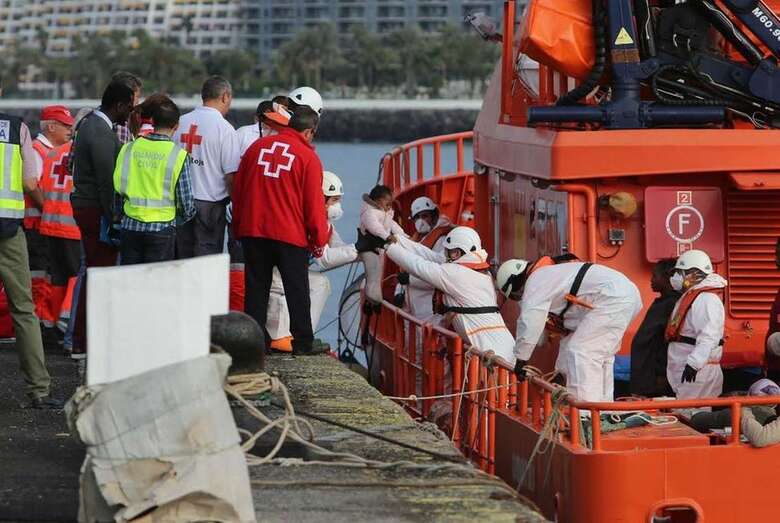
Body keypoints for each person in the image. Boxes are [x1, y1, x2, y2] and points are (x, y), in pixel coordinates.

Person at [232, 107, 329, 355]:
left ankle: (255, 344)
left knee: (256, 290)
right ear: (309, 131)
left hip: (253, 231)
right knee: (297, 289)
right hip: (290, 234)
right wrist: (319, 239)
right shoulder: (308, 158)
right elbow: (314, 205)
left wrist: (238, 228)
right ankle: (303, 343)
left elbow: (239, 191)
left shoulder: (256, 148)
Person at [497, 256, 642, 402]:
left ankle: (585, 414)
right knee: (602, 356)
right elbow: (570, 336)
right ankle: (604, 410)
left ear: (515, 282)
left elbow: (529, 321)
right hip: (624, 295)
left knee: (582, 351)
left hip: (612, 297)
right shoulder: (553, 277)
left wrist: (521, 360)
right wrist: (562, 371)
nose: (522, 297)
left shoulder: (537, 280)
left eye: (517, 295)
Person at [0, 86, 61, 408]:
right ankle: (38, 390)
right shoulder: (16, 128)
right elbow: (28, 181)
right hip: (9, 231)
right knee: (23, 310)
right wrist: (46, 208)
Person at [383, 226, 515, 365]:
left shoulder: (455, 274)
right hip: (503, 348)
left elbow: (418, 266)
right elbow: (430, 256)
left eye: (448, 252)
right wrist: (397, 241)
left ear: (457, 253)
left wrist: (387, 247)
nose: (444, 255)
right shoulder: (478, 272)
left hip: (492, 354)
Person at [70, 79, 135, 359]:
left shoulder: (94, 126)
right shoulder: (99, 131)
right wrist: (115, 218)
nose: (129, 114)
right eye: (129, 108)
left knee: (95, 273)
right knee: (99, 275)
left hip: (89, 207)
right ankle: (84, 341)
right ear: (119, 105)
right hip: (95, 209)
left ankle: (83, 338)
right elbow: (107, 182)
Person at [266, 170, 358, 351]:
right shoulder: (308, 220)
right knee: (308, 285)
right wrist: (358, 249)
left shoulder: (326, 223)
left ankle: (304, 337)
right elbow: (324, 259)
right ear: (320, 198)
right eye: (333, 200)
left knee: (320, 283)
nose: (337, 206)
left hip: (290, 272)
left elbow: (338, 248)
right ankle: (282, 337)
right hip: (276, 275)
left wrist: (362, 250)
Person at [113, 94, 195, 265]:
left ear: (152, 121)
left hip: (130, 226)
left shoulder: (129, 148)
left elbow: (118, 190)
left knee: (130, 282)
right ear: (176, 126)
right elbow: (186, 202)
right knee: (156, 285)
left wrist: (119, 216)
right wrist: (180, 219)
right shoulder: (178, 155)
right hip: (162, 229)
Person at [173, 76, 240, 258]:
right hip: (210, 208)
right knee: (207, 263)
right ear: (225, 96)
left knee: (181, 260)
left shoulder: (179, 123)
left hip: (178, 203)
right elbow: (231, 176)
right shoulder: (225, 129)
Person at [35, 106, 79, 347]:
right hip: (72, 227)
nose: (70, 130)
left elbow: (41, 187)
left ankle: (49, 323)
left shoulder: (51, 154)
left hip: (50, 225)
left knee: (56, 279)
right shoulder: (81, 156)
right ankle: (66, 326)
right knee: (75, 278)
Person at [664, 249, 727, 400]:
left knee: (692, 415)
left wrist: (694, 364)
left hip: (698, 373)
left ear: (693, 273)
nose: (675, 277)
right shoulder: (695, 296)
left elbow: (709, 335)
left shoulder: (706, 299)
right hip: (691, 370)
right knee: (690, 414)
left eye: (680, 272)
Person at [394, 196, 454, 319]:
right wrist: (398, 292)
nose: (421, 221)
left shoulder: (442, 242)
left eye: (425, 216)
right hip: (412, 306)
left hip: (430, 309)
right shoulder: (418, 240)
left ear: (433, 216)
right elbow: (405, 271)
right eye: (417, 217)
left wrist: (409, 280)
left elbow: (439, 276)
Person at [630, 259, 679, 396]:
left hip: (654, 378)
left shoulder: (671, 304)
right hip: (645, 375)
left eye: (654, 276)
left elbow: (668, 342)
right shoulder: (662, 303)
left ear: (667, 277)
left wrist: (662, 373)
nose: (651, 280)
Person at [359, 184, 406, 305]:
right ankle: (371, 295)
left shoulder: (386, 212)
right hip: (368, 246)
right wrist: (387, 236)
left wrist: (404, 237)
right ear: (378, 202)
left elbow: (392, 225)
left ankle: (375, 298)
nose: (389, 207)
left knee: (378, 270)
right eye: (387, 204)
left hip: (379, 247)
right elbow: (375, 227)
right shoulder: (369, 213)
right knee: (372, 269)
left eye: (391, 204)